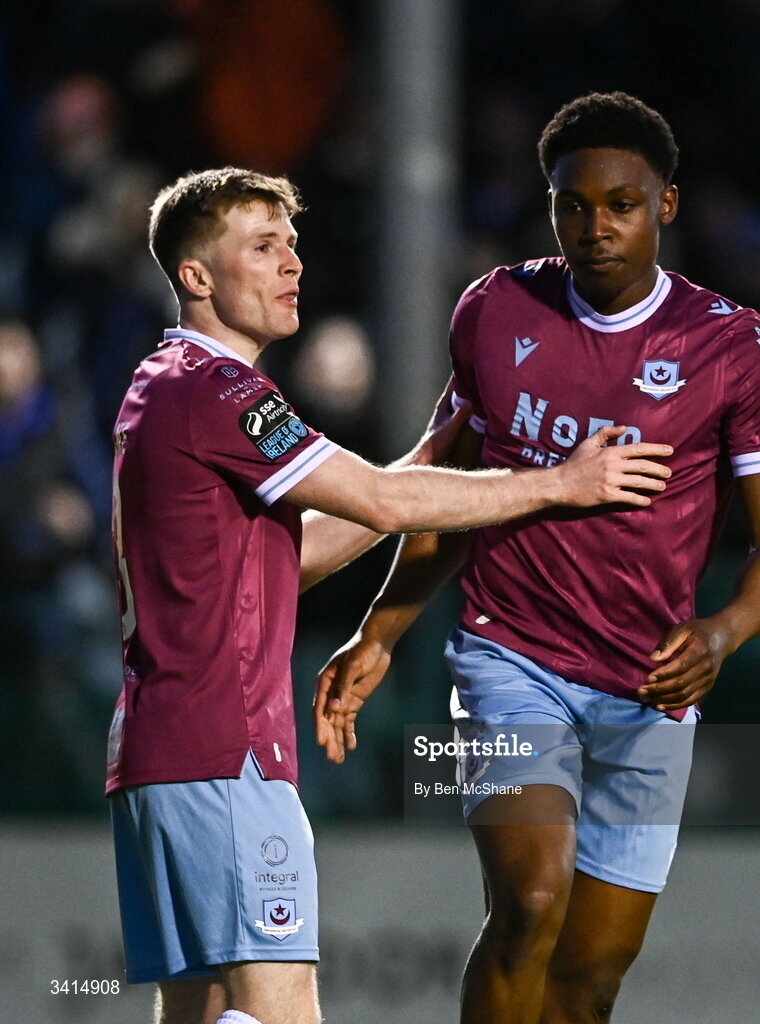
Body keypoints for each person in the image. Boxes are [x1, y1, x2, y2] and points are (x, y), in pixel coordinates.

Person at [105, 166, 676, 1024]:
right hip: (226, 751)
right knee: (279, 1010)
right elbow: (377, 501)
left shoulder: (160, 386)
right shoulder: (219, 389)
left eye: (291, 245)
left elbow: (283, 561)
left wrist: (431, 455)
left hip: (160, 752)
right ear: (197, 277)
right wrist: (561, 481)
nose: (291, 265)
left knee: (199, 1011)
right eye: (261, 248)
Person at [315, 92, 760, 1024]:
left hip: (652, 682)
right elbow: (445, 492)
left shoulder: (739, 351)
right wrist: (382, 632)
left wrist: (726, 629)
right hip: (511, 658)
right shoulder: (496, 311)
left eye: (620, 204)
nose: (595, 227)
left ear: (664, 206)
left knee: (588, 983)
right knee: (530, 902)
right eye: (571, 205)